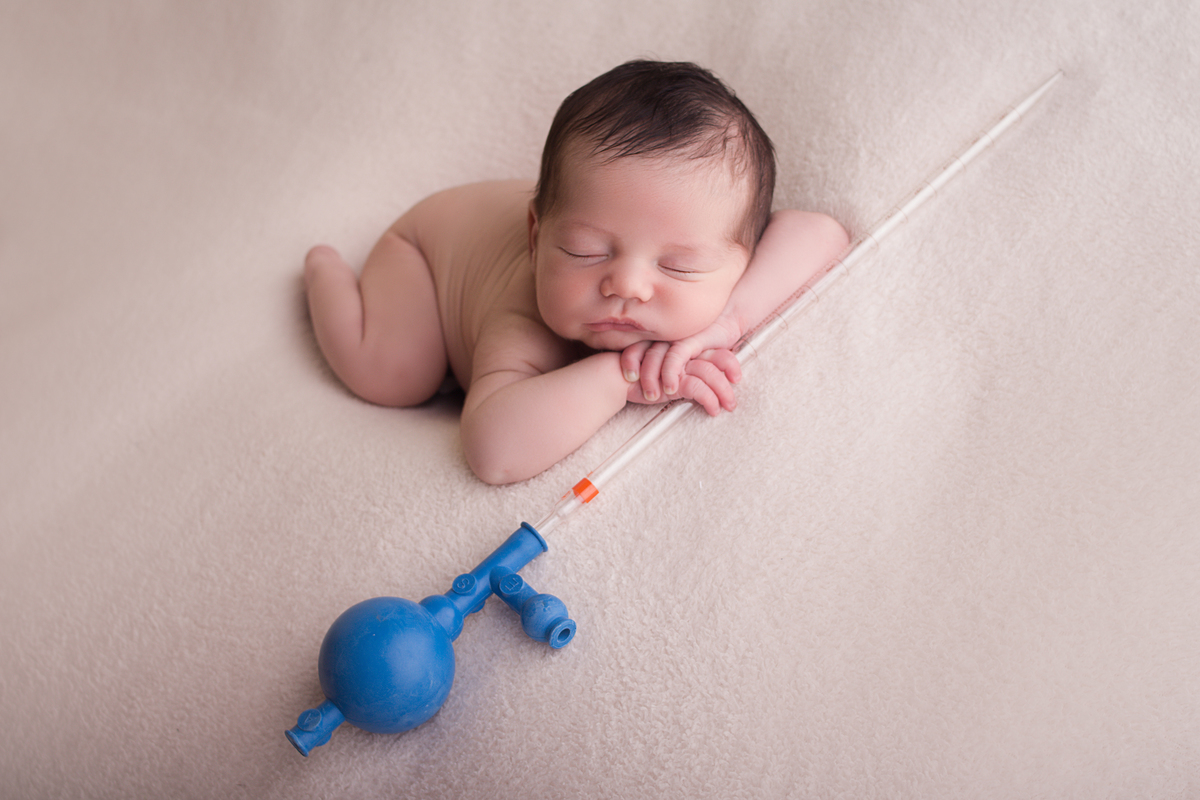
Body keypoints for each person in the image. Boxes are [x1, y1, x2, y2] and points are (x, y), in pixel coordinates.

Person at [304, 60, 848, 485]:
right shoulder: (524, 315)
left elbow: (822, 234)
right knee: (396, 375)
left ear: (744, 258)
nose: (626, 286)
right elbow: (494, 451)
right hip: (424, 252)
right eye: (585, 252)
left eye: (678, 265)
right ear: (537, 239)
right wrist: (622, 379)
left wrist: (727, 323)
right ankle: (322, 270)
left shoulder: (707, 234)